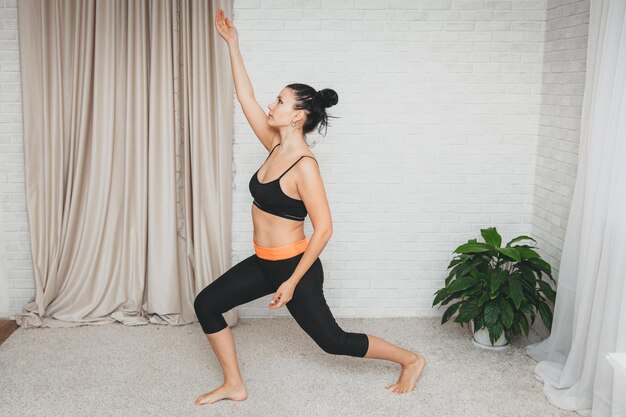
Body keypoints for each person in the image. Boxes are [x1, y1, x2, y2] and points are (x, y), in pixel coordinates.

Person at [192, 9, 427, 406]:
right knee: (207, 304)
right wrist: (233, 44)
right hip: (265, 261)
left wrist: (291, 282)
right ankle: (235, 384)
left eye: (280, 101)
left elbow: (324, 229)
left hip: (293, 267)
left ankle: (411, 359)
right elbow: (245, 96)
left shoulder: (305, 168)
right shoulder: (275, 145)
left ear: (298, 115)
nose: (271, 104)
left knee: (332, 341)